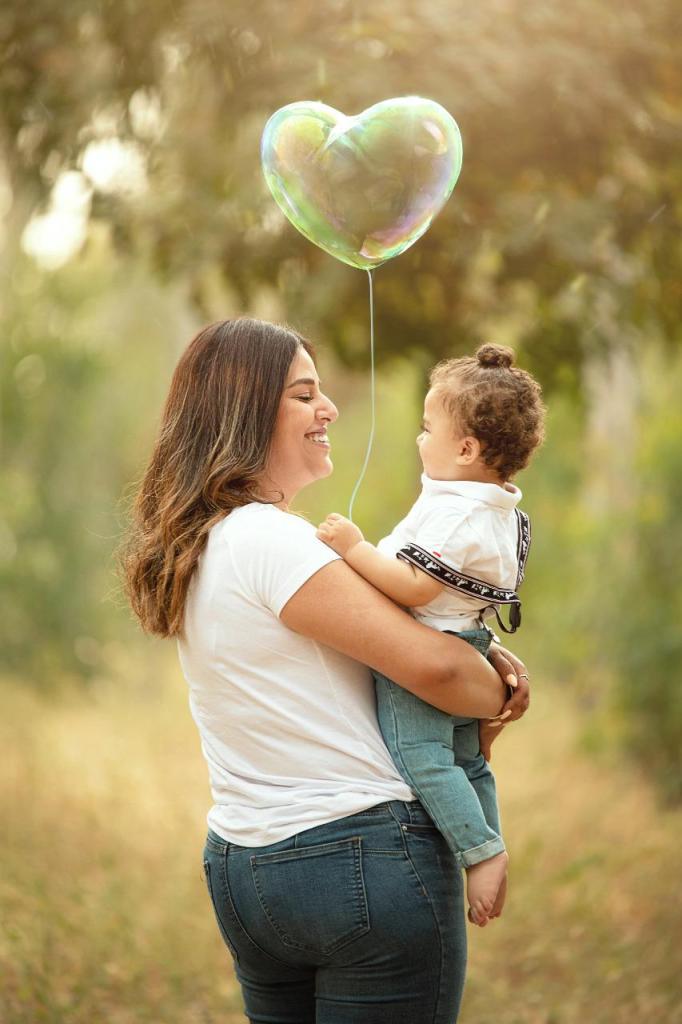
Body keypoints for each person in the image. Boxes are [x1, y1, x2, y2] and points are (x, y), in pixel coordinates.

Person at [123, 318, 530, 1024]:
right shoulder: (271, 540)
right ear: (248, 410)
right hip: (357, 855)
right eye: (304, 394)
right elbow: (441, 675)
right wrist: (505, 690)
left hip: (244, 864)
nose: (329, 410)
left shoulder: (205, 543)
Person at [317, 343, 545, 929]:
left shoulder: (457, 514)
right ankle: (488, 842)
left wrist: (353, 548)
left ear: (466, 449)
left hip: (423, 648)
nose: (420, 440)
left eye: (427, 429)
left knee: (424, 757)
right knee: (470, 762)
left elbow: (416, 587)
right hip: (468, 643)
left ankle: (480, 851)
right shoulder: (495, 510)